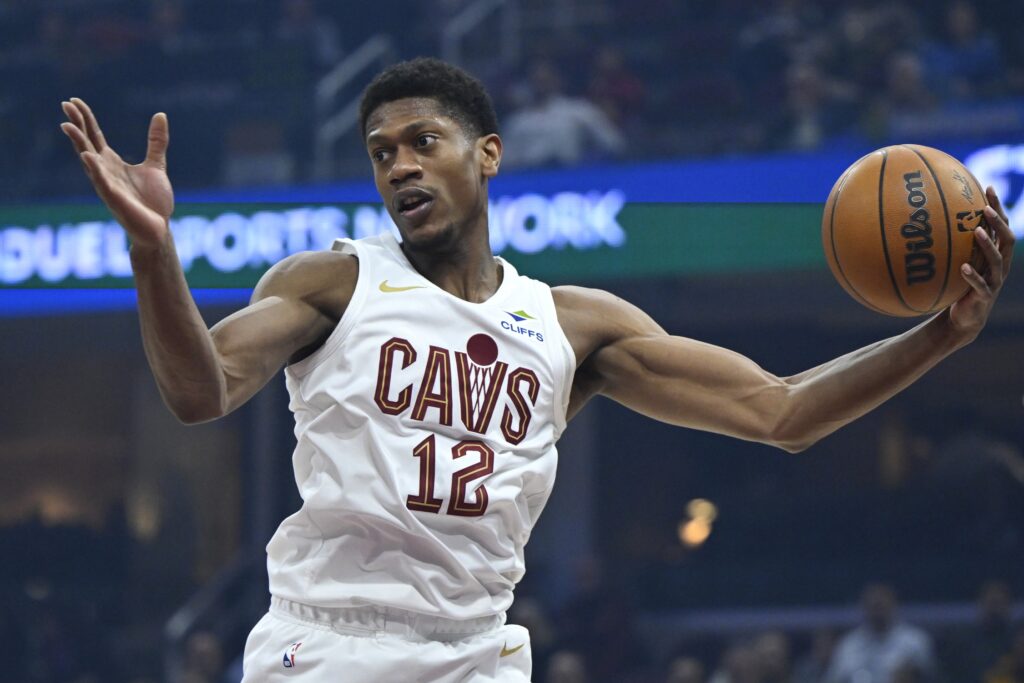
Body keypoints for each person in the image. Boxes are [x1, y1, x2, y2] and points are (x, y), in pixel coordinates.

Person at [59, 56, 1014, 681]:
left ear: (488, 154)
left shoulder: (573, 325)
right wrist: (154, 251)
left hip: (478, 650)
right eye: (381, 152)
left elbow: (782, 412)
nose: (399, 167)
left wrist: (940, 338)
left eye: (422, 143)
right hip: (332, 642)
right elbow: (199, 390)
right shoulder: (333, 284)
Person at [825, 583, 938, 683]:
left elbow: (931, 677)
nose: (877, 612)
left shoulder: (915, 641)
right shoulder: (849, 645)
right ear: (864, 608)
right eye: (873, 606)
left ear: (893, 605)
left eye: (881, 606)